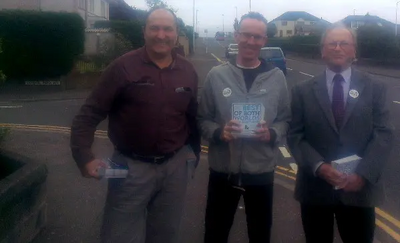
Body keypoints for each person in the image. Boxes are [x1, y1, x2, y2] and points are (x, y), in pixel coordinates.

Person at [70, 7, 200, 243]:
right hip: (130, 168)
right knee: (118, 235)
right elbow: (89, 113)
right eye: (155, 28)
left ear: (176, 33)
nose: (161, 35)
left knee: (165, 235)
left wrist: (193, 157)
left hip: (175, 168)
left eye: (167, 29)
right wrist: (84, 156)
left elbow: (192, 117)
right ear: (144, 32)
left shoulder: (188, 71)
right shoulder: (123, 67)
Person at [287, 23, 394, 243]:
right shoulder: (301, 91)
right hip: (315, 191)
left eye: (344, 43)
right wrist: (320, 167)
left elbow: (384, 134)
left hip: (359, 191)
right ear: (322, 50)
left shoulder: (376, 87)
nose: (338, 48)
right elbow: (295, 135)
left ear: (354, 50)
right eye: (332, 43)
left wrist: (362, 175)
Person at [197, 12, 291, 243]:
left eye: (257, 37)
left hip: (261, 172)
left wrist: (273, 133)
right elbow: (202, 118)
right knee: (215, 234)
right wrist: (219, 132)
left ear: (264, 40)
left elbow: (285, 119)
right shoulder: (217, 76)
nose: (251, 41)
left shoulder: (277, 78)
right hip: (223, 171)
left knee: (260, 235)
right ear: (237, 35)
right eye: (246, 35)